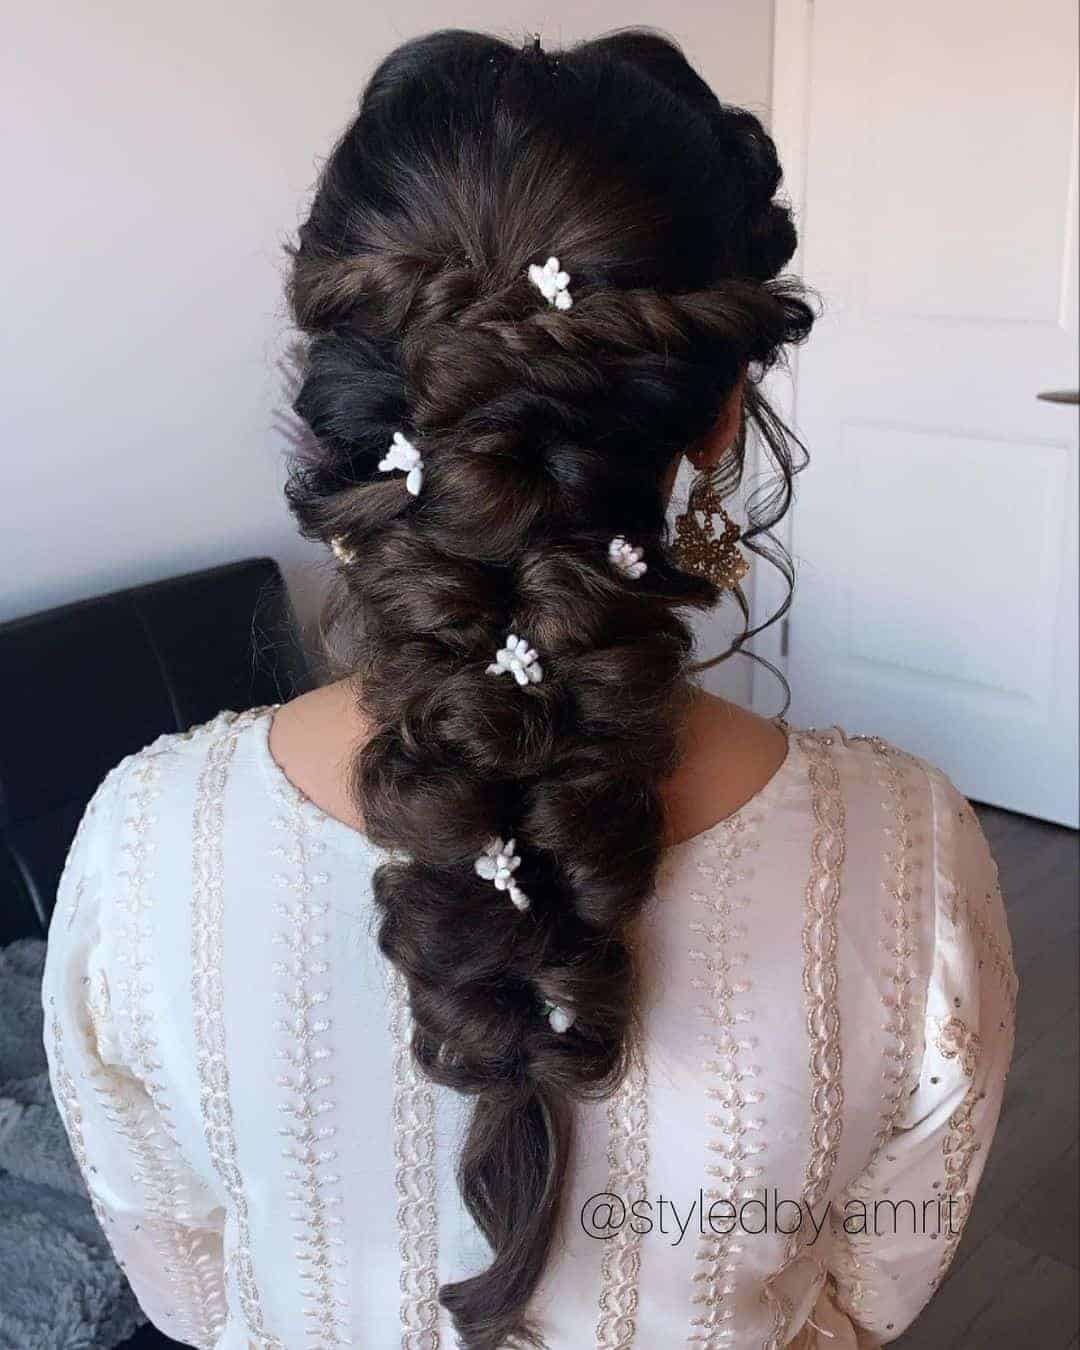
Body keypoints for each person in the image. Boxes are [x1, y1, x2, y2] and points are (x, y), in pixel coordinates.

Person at [42, 29, 1017, 1349]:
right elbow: (862, 1294)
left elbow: (201, 1297)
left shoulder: (141, 843)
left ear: (342, 406)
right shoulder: (906, 861)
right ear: (721, 414)